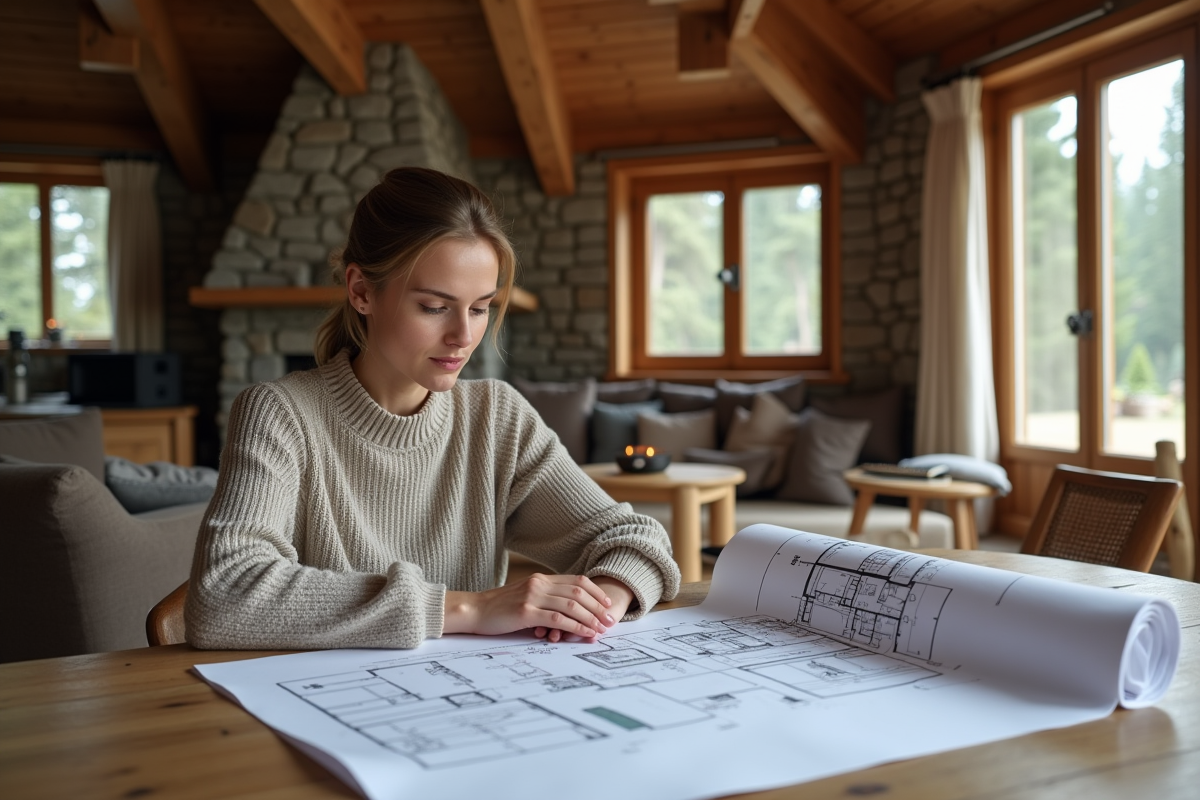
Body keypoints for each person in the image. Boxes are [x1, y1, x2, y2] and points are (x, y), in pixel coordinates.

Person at [185, 167, 681, 650]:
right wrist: (471, 609)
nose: (463, 337)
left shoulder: (496, 416)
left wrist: (598, 606)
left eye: (481, 306)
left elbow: (637, 539)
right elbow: (223, 594)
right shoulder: (279, 414)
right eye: (433, 306)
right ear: (361, 291)